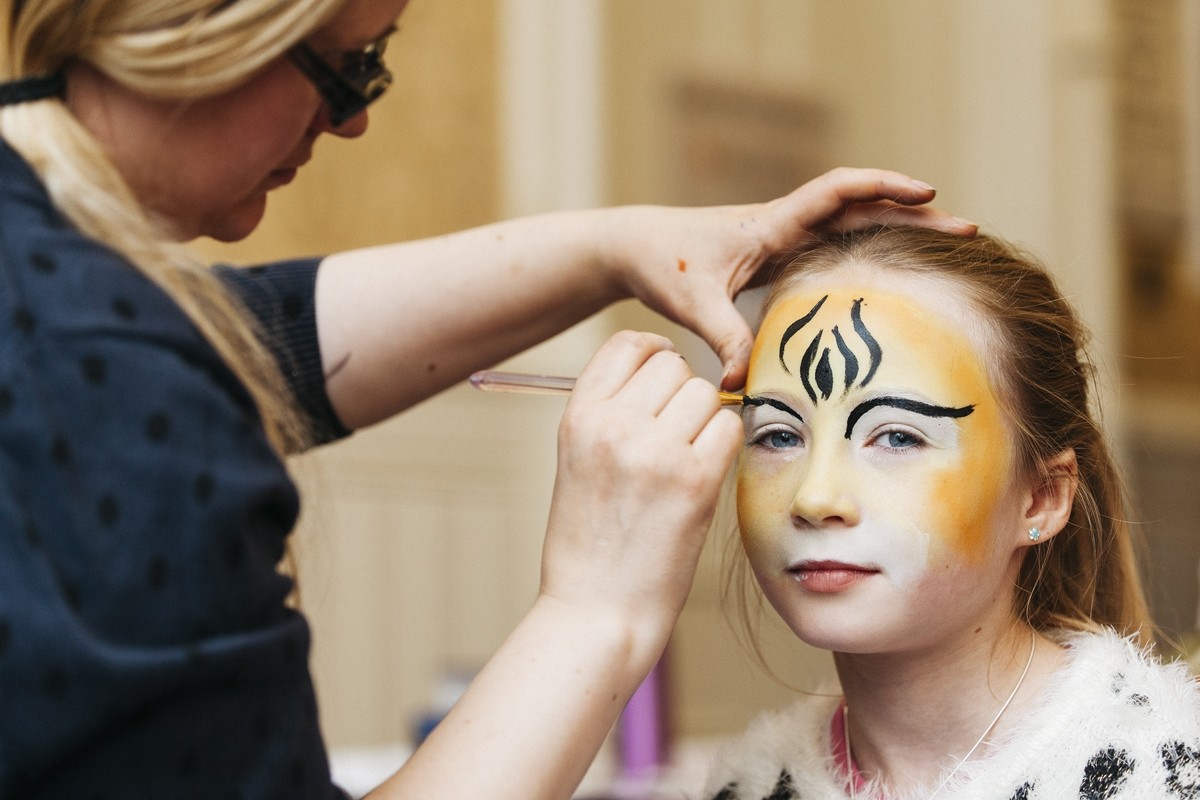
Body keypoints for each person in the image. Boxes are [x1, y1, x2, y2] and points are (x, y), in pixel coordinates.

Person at [0, 1, 978, 798]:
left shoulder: (67, 322)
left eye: (896, 433)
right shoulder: (87, 368)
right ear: (202, 32)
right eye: (349, 66)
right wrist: (595, 605)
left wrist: (614, 247)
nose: (352, 121)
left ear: (1043, 493)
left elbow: (247, 340)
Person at [701, 225, 1200, 800]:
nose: (813, 499)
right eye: (780, 436)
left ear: (1042, 496)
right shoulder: (748, 786)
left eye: (898, 437)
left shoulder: (1163, 773)